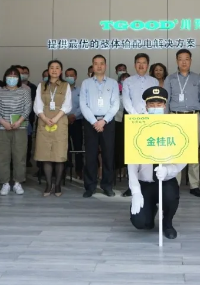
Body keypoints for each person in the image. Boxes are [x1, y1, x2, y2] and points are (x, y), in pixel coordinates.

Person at [129, 86, 185, 240]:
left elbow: (183, 156)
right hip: (145, 182)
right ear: (146, 106)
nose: (155, 107)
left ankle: (167, 223)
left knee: (171, 197)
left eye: (159, 104)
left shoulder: (174, 126)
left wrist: (169, 170)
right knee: (140, 222)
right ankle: (150, 211)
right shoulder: (137, 126)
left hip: (165, 180)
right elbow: (131, 165)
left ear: (164, 105)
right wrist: (135, 192)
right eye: (151, 104)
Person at [165, 49, 200, 198]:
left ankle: (194, 185)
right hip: (175, 117)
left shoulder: (198, 78)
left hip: (193, 117)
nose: (184, 62)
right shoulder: (170, 78)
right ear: (176, 61)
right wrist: (165, 120)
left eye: (187, 59)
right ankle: (174, 184)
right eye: (180, 59)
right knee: (175, 152)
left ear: (191, 60)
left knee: (193, 152)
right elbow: (166, 101)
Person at [80, 55, 120, 198]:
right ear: (92, 66)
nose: (99, 66)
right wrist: (94, 121)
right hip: (90, 122)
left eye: (101, 63)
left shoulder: (113, 83)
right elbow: (83, 104)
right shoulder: (86, 83)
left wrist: (104, 121)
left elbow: (115, 104)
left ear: (105, 66)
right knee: (90, 156)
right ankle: (90, 186)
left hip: (107, 123)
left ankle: (107, 186)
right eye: (96, 63)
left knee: (108, 155)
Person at [121, 53, 159, 197]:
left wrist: (149, 117)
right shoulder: (128, 81)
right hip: (133, 121)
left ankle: (145, 184)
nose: (141, 65)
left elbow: (156, 100)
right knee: (133, 155)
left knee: (147, 153)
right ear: (134, 64)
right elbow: (126, 101)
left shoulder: (154, 81)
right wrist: (136, 117)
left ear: (148, 65)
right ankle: (132, 186)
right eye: (138, 62)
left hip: (150, 121)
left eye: (144, 63)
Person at [0, 67, 32, 196]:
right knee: (2, 157)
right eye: (10, 76)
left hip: (20, 128)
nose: (12, 78)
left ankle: (18, 183)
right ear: (5, 77)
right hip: (2, 129)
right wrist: (3, 122)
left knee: (20, 157)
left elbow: (27, 108)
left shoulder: (24, 92)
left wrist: (19, 121)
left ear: (18, 79)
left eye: (15, 76)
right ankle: (5, 183)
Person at [34, 60, 72, 197]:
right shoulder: (41, 85)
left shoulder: (66, 85)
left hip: (60, 121)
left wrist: (55, 119)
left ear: (61, 71)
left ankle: (58, 185)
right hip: (44, 121)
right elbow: (37, 105)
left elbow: (67, 105)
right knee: (45, 155)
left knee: (59, 154)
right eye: (52, 68)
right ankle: (48, 184)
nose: (54, 70)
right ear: (48, 70)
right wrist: (44, 118)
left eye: (57, 68)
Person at [65, 68, 84, 180]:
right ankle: (65, 169)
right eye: (67, 75)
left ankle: (79, 170)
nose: (69, 77)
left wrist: (74, 116)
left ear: (76, 77)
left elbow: (83, 105)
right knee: (64, 146)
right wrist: (66, 117)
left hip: (77, 121)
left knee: (78, 147)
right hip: (63, 121)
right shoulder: (62, 90)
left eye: (71, 75)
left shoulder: (80, 90)